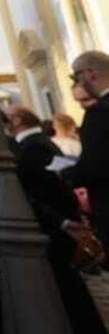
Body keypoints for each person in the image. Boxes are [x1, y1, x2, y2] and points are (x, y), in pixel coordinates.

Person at [6, 104, 109, 334]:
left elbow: (42, 191)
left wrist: (62, 221)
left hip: (52, 226)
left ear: (17, 120)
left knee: (68, 287)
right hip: (57, 223)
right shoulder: (38, 143)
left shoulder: (32, 148)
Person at [64, 51, 109, 242]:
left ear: (90, 74)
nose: (77, 83)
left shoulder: (98, 113)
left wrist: (67, 175)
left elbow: (95, 166)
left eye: (76, 76)